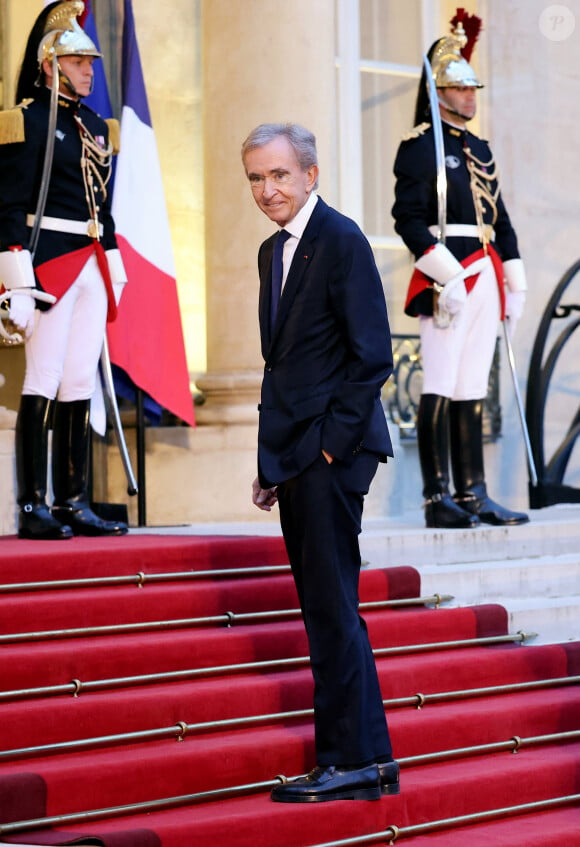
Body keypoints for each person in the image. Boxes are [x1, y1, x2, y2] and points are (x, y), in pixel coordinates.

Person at [242, 123, 399, 803]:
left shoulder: (341, 240)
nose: (267, 189)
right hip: (298, 454)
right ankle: (373, 758)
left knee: (331, 610)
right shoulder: (270, 253)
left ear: (310, 174)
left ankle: (346, 761)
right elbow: (287, 367)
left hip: (333, 454)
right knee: (329, 608)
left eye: (278, 174)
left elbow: (372, 356)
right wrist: (273, 461)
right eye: (255, 177)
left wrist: (326, 448)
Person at [392, 10, 529, 530]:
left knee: (473, 384)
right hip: (447, 274)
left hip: (486, 272)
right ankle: (436, 497)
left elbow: (502, 220)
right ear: (439, 92)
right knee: (441, 382)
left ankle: (474, 493)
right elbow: (407, 220)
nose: (471, 96)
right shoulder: (419, 147)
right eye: (460, 88)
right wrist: (446, 276)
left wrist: (515, 283)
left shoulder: (481, 148)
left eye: (473, 88)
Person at [0, 1, 128, 539]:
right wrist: (17, 276)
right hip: (48, 260)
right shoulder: (26, 119)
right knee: (45, 376)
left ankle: (73, 500)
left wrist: (115, 258)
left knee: (80, 378)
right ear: (50, 62)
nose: (89, 70)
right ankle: (33, 504)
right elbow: (8, 203)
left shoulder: (97, 125)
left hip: (94, 260)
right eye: (78, 62)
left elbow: (105, 200)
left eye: (91, 62)